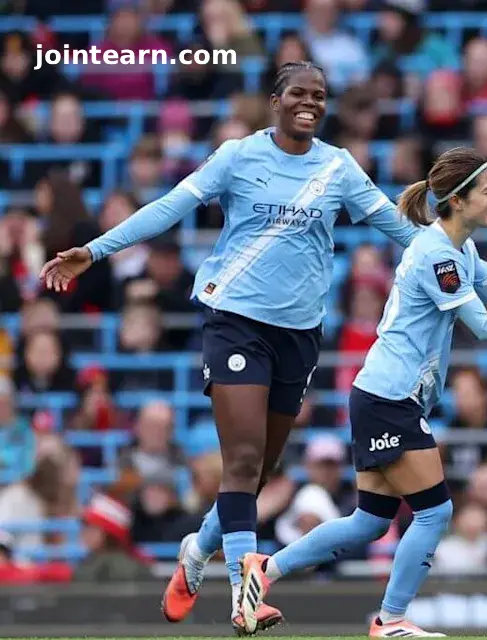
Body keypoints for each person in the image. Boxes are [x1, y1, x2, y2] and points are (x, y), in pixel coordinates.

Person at [39, 61, 423, 635]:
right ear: (275, 100)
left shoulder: (338, 168)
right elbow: (168, 207)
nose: (310, 103)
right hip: (236, 320)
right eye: (299, 92)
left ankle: (198, 551)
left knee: (258, 472)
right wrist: (93, 251)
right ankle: (246, 595)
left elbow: (402, 229)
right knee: (242, 460)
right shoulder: (238, 157)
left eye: (319, 96)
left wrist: (474, 270)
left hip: (299, 334)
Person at [236, 147, 487, 637]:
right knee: (436, 510)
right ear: (457, 198)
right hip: (389, 400)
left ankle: (264, 569)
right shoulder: (438, 256)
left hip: (382, 397)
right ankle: (390, 620)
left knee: (368, 522)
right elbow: (486, 327)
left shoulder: (459, 249)